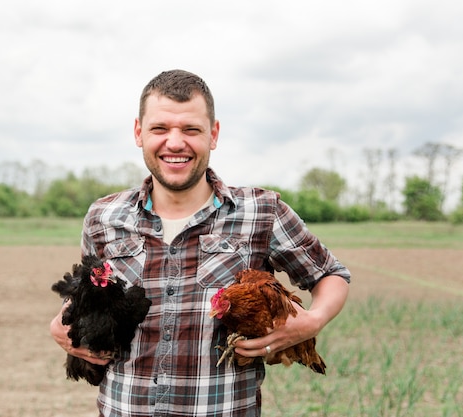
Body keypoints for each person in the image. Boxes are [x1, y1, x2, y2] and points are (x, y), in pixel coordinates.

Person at [50, 69, 351, 417]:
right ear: (138, 132)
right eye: (159, 129)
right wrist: (60, 326)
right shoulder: (103, 217)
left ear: (214, 134)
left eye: (190, 129)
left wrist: (313, 321)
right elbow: (87, 296)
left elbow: (330, 273)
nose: (175, 143)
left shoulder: (262, 211)